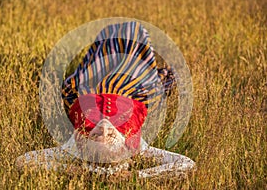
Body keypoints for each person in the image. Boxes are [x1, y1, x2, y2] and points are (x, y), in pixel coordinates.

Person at [16, 21, 195, 178]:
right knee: (134, 40)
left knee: (101, 53)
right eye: (110, 135)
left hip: (90, 88)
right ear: (124, 142)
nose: (103, 126)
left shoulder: (75, 147)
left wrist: (75, 171)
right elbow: (187, 164)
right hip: (131, 88)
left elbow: (24, 161)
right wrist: (137, 176)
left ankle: (108, 45)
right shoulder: (137, 146)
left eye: (95, 134)